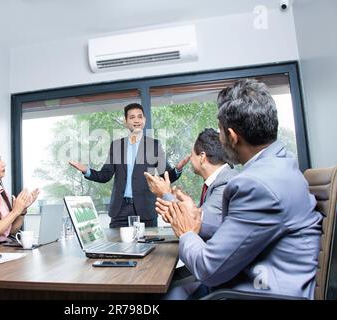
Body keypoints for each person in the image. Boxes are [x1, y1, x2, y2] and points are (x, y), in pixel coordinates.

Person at [155, 79, 322, 299]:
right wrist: (196, 216)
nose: (220, 138)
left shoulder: (256, 185)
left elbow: (208, 269)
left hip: (254, 292)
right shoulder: (283, 164)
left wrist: (186, 230)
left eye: (221, 132)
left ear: (233, 137)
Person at [69, 103, 190, 228]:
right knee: (116, 246)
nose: (136, 120)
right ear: (126, 121)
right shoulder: (116, 146)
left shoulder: (153, 145)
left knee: (149, 247)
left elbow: (165, 175)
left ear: (144, 120)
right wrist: (86, 170)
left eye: (139, 116)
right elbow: (105, 175)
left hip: (145, 210)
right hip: (119, 210)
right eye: (132, 117)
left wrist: (177, 169)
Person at [145, 128, 238, 241]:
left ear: (202, 157)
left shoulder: (226, 182)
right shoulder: (217, 180)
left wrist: (166, 193)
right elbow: (201, 214)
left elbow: (200, 223)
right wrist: (173, 204)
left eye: (192, 154)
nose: (190, 158)